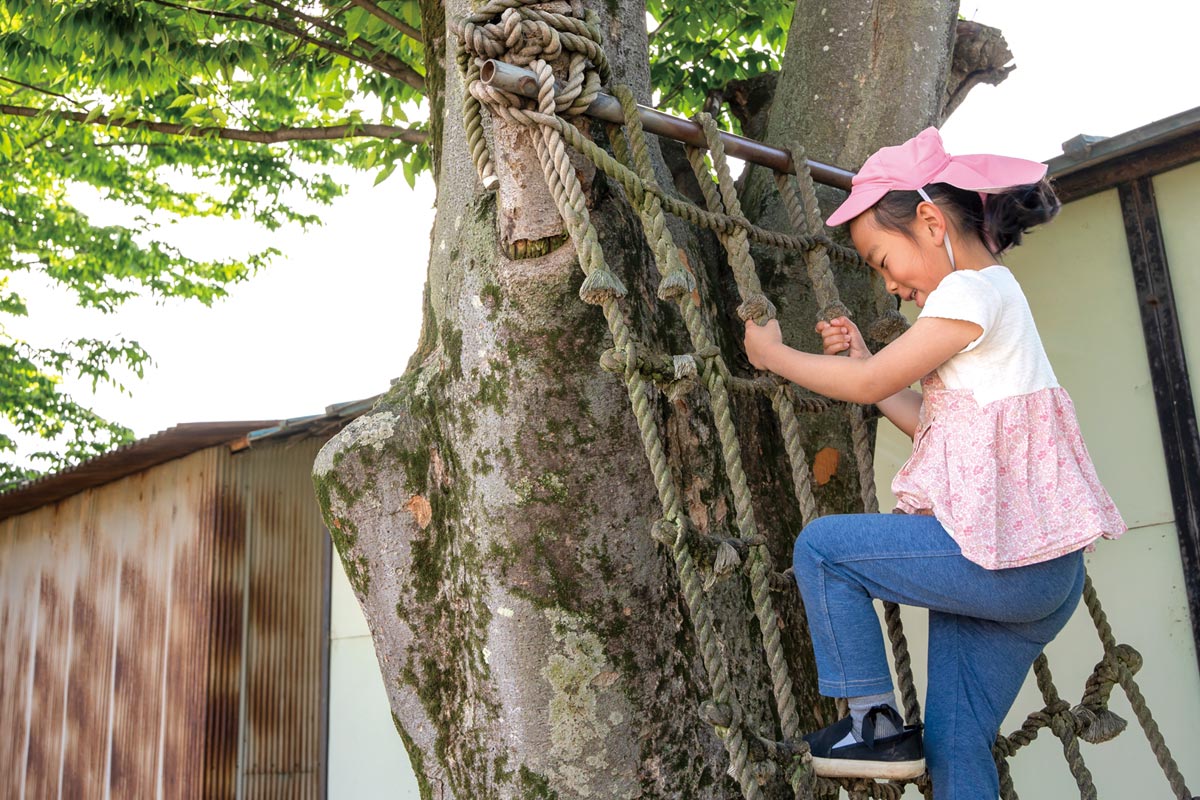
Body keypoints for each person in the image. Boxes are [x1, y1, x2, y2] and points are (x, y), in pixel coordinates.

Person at [741, 127, 1126, 798]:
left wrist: (773, 357)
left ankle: (872, 723)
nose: (892, 285)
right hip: (1037, 578)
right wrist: (868, 363)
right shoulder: (995, 298)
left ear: (929, 219)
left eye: (885, 261)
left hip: (1003, 564)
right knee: (954, 744)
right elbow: (933, 422)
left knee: (825, 549)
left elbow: (863, 391)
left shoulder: (968, 293)